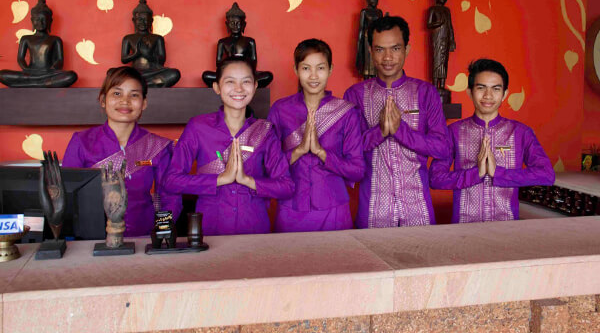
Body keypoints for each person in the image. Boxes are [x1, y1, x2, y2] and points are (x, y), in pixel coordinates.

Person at [164, 56, 294, 235]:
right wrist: (220, 180)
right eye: (230, 81)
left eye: (246, 81)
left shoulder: (265, 131)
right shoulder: (198, 127)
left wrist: (247, 180)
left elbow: (287, 187)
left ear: (255, 86)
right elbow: (172, 181)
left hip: (254, 229)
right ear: (217, 87)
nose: (239, 89)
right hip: (210, 229)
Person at [344, 15, 450, 228]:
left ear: (407, 50)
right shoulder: (355, 94)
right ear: (371, 51)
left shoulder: (426, 93)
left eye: (395, 48)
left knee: (423, 259)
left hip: (418, 206)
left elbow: (442, 148)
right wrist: (380, 131)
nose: (388, 57)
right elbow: (349, 152)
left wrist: (401, 131)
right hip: (372, 208)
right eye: (380, 49)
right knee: (371, 261)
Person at [429, 58, 555, 222]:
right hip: (464, 228)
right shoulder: (453, 132)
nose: (488, 96)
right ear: (470, 92)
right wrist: (476, 173)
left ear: (505, 94)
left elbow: (546, 175)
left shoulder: (520, 133)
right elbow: (435, 178)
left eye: (496, 89)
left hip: (507, 228)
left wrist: (499, 174)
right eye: (481, 88)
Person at [62, 67, 181, 236]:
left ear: (144, 103)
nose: (125, 101)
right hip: (92, 238)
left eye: (134, 95)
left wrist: (160, 235)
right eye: (117, 94)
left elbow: (171, 197)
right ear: (103, 100)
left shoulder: (158, 146)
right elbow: (68, 195)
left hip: (144, 236)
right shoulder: (81, 142)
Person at [268, 39, 364, 232]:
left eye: (320, 68)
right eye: (305, 68)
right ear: (295, 70)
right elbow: (268, 168)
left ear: (330, 69)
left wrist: (322, 153)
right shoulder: (280, 110)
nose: (313, 76)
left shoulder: (346, 113)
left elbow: (357, 170)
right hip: (290, 208)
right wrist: (299, 151)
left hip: (334, 211)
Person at [0, 0, 77, 88]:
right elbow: (20, 58)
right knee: (2, 74)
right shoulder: (25, 38)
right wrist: (26, 69)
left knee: (71, 75)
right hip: (30, 73)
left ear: (50, 21)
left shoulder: (56, 40)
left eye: (43, 20)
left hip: (48, 73)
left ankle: (32, 83)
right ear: (32, 21)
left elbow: (60, 60)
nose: (40, 23)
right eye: (37, 20)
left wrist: (53, 69)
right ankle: (42, 83)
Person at [121, 0, 181, 87]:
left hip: (152, 72)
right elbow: (124, 59)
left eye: (146, 20)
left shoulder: (157, 38)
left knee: (175, 73)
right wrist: (136, 54)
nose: (142, 22)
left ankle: (140, 84)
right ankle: (147, 84)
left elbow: (161, 61)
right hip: (134, 73)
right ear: (134, 20)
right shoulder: (128, 38)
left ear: (151, 21)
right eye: (140, 19)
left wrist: (148, 55)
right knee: (111, 73)